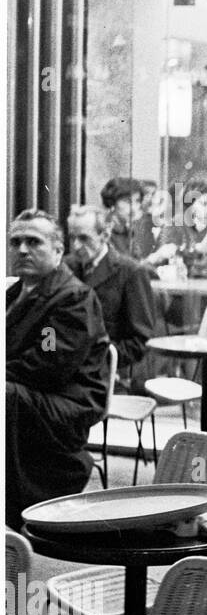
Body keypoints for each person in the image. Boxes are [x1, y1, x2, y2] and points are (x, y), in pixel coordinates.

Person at [6, 210, 112, 529]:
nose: (22, 250)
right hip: (31, 392)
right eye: (16, 242)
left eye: (33, 242)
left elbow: (49, 360)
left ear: (57, 251)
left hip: (66, 402)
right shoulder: (14, 293)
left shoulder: (72, 298)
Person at [65, 205, 159, 391]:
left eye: (83, 238)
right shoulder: (64, 268)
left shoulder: (131, 272)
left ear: (105, 235)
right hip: (61, 368)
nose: (76, 246)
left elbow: (140, 341)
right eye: (72, 238)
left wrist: (99, 361)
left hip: (106, 374)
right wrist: (48, 351)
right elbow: (48, 325)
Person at [101, 176, 170, 267]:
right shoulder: (104, 230)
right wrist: (153, 259)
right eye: (127, 201)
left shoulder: (128, 231)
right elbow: (120, 269)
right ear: (112, 203)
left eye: (137, 201)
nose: (134, 208)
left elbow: (136, 263)